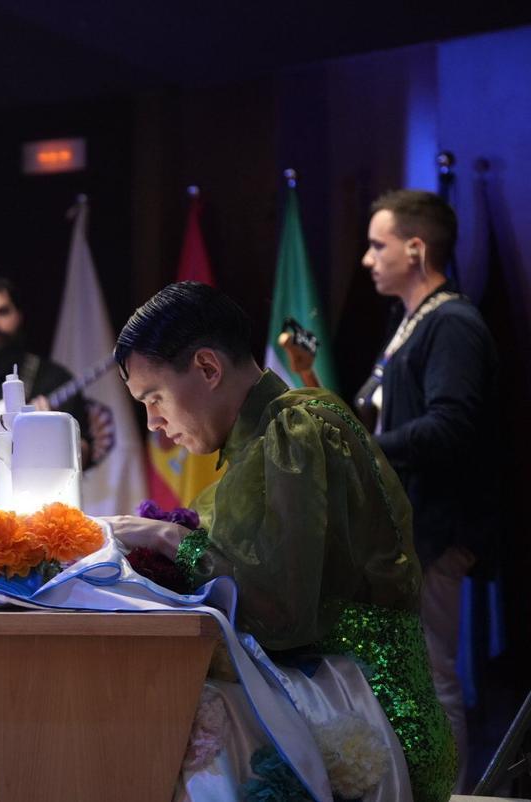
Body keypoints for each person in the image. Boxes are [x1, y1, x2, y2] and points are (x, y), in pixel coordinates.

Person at [112, 281, 454, 801]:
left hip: (373, 719)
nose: (154, 423)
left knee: (184, 720)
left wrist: (168, 537)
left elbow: (281, 612)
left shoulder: (297, 429)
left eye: (154, 398)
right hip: (337, 692)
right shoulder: (260, 439)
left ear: (207, 367)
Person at [355, 189, 499, 787]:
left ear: (415, 249)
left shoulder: (454, 323)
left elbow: (451, 426)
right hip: (406, 530)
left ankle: (452, 797)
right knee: (410, 674)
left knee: (434, 675)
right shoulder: (410, 322)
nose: (367, 259)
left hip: (437, 529)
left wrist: (362, 448)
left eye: (377, 244)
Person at [0, 275, 94, 515]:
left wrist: (53, 435)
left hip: (40, 513)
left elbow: (84, 455)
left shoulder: (54, 378)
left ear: (19, 315)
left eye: (3, 312)